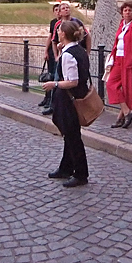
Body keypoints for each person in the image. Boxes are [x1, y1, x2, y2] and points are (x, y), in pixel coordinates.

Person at [41, 20, 91, 188]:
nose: (58, 34)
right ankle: (66, 167)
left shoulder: (69, 55)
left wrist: (53, 84)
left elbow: (72, 81)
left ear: (63, 34)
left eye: (60, 31)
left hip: (70, 99)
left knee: (73, 136)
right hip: (75, 96)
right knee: (70, 134)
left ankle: (81, 174)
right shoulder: (78, 50)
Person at [38, 3, 62, 113]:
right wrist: (46, 50)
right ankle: (47, 97)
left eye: (59, 9)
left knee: (56, 77)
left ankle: (52, 101)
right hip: (53, 53)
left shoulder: (65, 23)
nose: (58, 12)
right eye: (56, 10)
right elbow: (51, 37)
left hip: (59, 52)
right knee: (50, 75)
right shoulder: (54, 23)